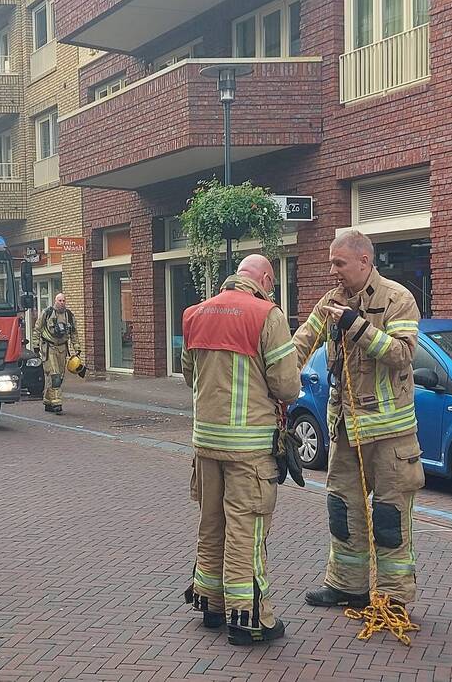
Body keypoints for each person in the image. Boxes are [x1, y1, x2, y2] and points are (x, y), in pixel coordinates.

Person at [292, 229, 425, 609]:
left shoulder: (398, 299)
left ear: (364, 261)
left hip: (389, 436)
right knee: (343, 509)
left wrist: (357, 325)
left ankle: (393, 597)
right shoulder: (331, 301)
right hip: (345, 431)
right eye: (331, 262)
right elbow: (301, 345)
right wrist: (272, 378)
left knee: (389, 514)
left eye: (339, 263)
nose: (333, 271)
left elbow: (401, 354)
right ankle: (347, 586)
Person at [180, 254, 300, 645]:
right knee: (246, 532)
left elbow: (188, 375)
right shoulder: (267, 315)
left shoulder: (195, 314)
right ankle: (249, 618)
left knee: (211, 523)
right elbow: (287, 387)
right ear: (265, 278)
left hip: (206, 444)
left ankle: (210, 604)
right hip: (249, 450)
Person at [34, 293, 81, 415]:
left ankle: (47, 400)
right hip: (49, 348)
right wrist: (36, 346)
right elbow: (37, 329)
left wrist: (77, 347)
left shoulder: (69, 316)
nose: (62, 302)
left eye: (64, 300)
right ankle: (56, 403)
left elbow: (74, 333)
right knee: (54, 375)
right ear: (55, 301)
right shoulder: (47, 313)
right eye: (60, 300)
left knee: (59, 376)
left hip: (62, 349)